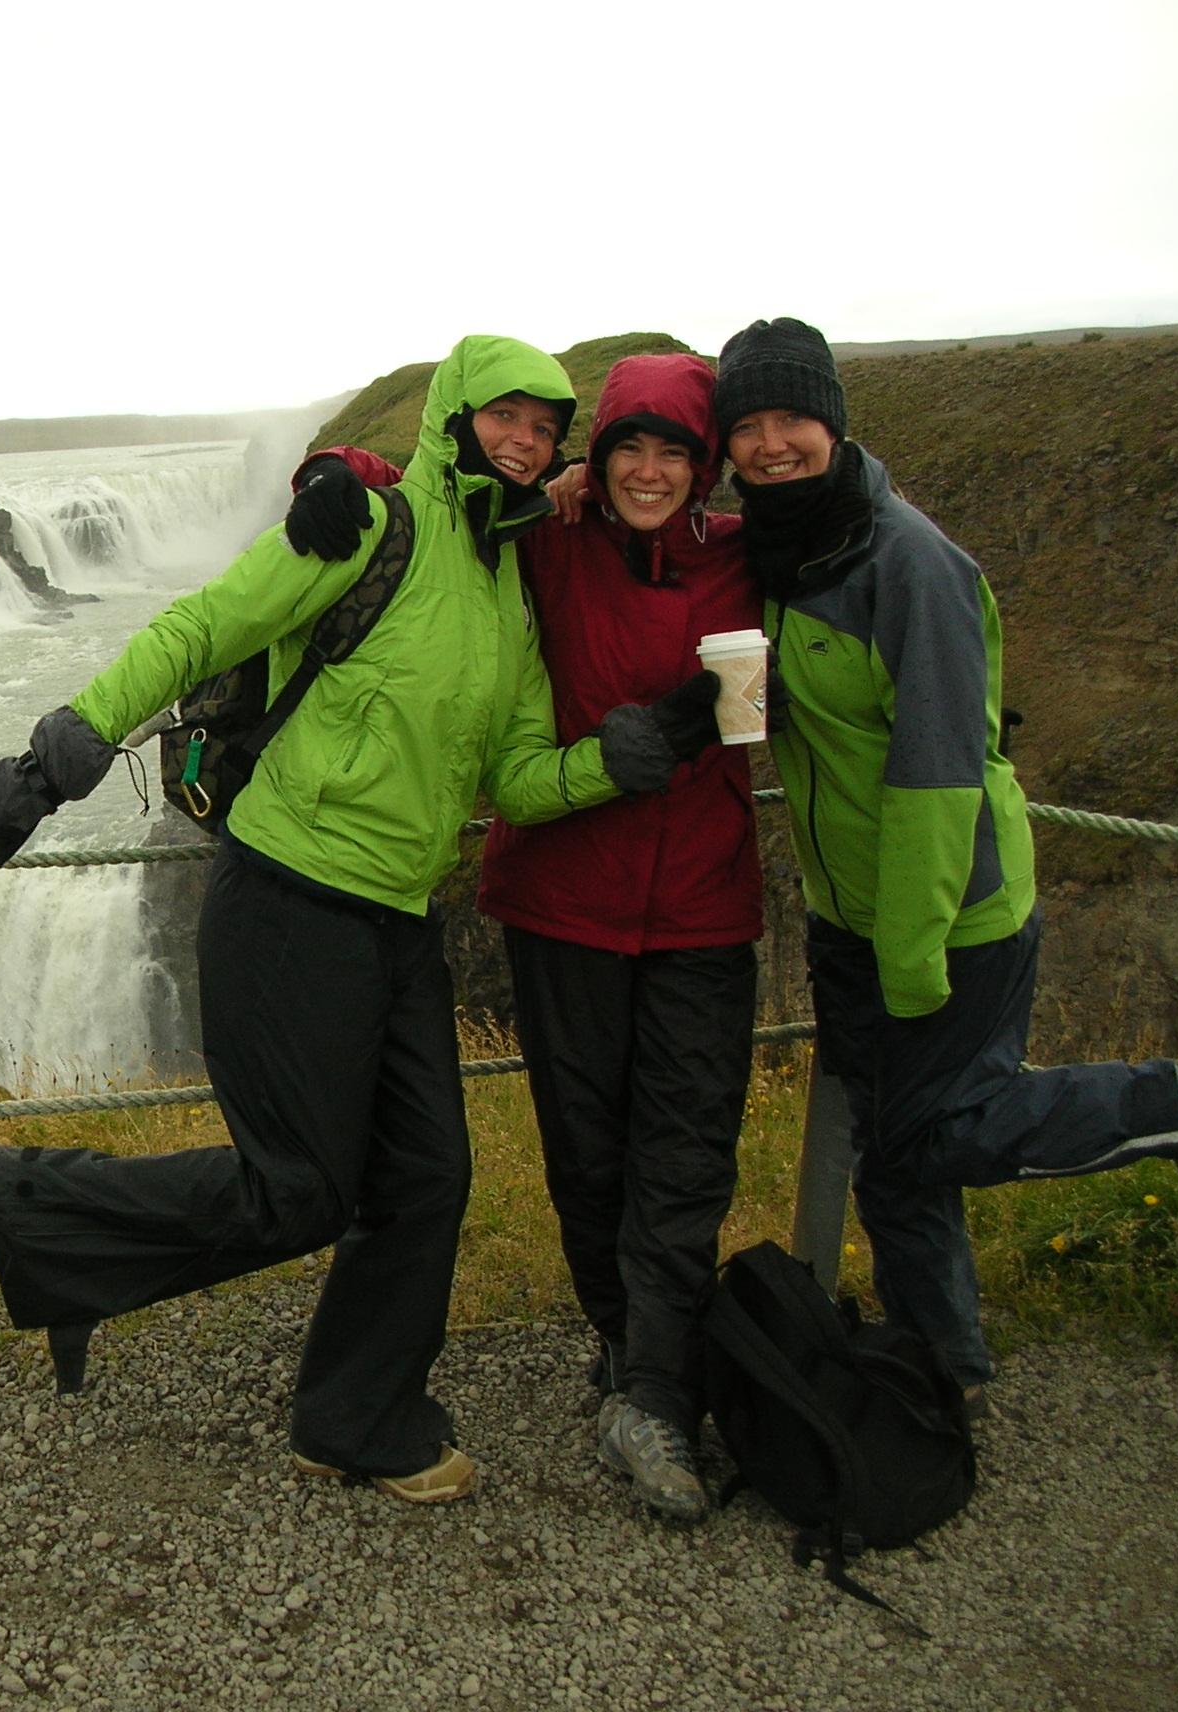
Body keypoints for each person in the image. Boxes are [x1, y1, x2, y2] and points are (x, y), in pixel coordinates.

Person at [0, 335, 720, 1505]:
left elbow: (520, 777)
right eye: (503, 416)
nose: (524, 441)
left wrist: (629, 755)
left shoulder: (508, 590)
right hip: (288, 896)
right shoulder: (367, 525)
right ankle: (11, 1189)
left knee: (428, 1177)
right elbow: (205, 626)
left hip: (395, 916)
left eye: (545, 427)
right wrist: (53, 760)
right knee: (296, 1187)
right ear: (453, 417)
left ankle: (356, 1416)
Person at [713, 317, 1178, 1412]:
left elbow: (937, 774)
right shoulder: (785, 543)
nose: (768, 444)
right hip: (851, 914)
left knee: (936, 1129)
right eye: (745, 425)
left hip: (954, 915)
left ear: (834, 423)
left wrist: (907, 954)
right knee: (900, 1168)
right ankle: (939, 1369)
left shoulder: (908, 560)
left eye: (790, 419)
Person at [306, 354, 760, 1522]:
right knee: (588, 1150)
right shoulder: (542, 544)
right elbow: (419, 496)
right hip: (562, 901)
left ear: (701, 466)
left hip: (704, 902)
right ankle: (626, 1348)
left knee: (688, 1146)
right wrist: (329, 464)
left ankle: (652, 1389)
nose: (650, 471)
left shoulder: (741, 560)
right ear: (593, 461)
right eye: (628, 448)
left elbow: (850, 515)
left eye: (673, 451)